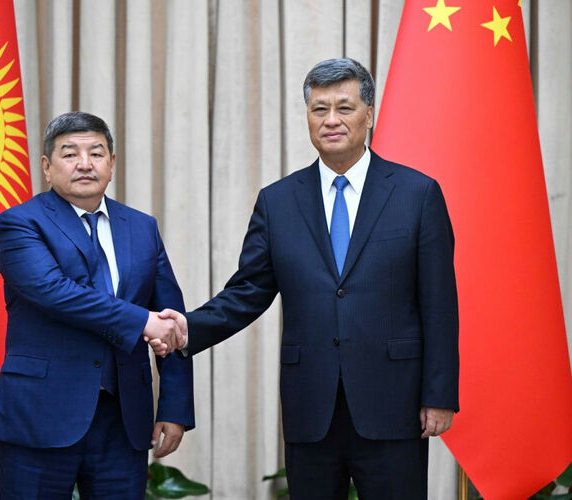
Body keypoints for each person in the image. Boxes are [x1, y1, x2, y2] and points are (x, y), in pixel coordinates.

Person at [157, 58, 459, 499]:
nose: (331, 120)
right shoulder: (278, 201)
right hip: (311, 406)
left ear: (369, 114)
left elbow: (439, 304)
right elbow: (247, 292)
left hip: (394, 404)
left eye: (344, 108)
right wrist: (188, 327)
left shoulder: (417, 193)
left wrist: (439, 394)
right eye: (320, 109)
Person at [0, 111, 194, 499]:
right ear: (47, 167)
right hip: (40, 414)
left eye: (96, 153)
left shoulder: (142, 227)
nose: (84, 164)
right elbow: (54, 291)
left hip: (123, 421)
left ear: (111, 163)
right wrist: (141, 321)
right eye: (70, 154)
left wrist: (174, 407)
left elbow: (171, 319)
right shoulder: (20, 223)